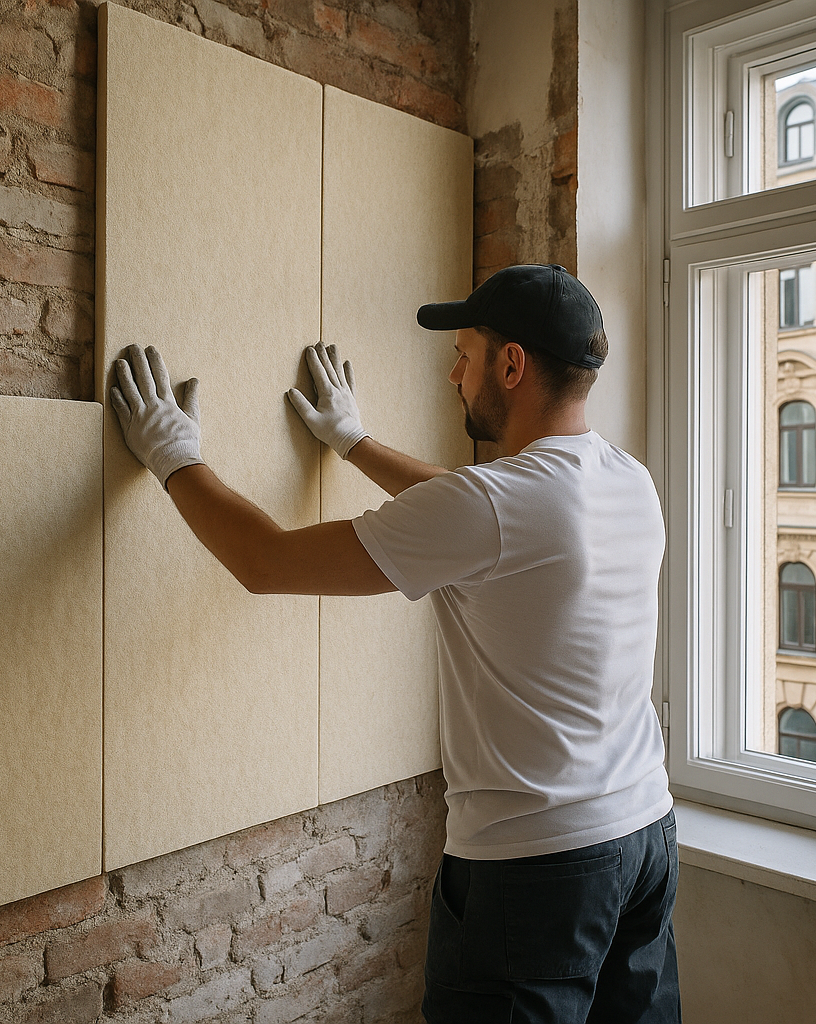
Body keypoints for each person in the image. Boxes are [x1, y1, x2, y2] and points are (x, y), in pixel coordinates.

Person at [109, 263, 679, 1024]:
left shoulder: (496, 505)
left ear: (512, 365)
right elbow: (465, 509)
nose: (454, 372)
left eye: (467, 354)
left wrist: (175, 458)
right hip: (645, 834)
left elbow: (266, 562)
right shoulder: (626, 480)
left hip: (537, 868)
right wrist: (354, 442)